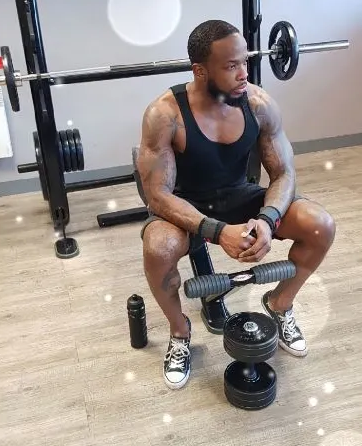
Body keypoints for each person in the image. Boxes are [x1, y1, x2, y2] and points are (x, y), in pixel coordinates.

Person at [136, 20, 336, 390]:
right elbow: (158, 196)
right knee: (159, 247)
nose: (244, 73)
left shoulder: (259, 104)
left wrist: (268, 218)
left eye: (245, 62)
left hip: (240, 195)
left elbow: (284, 174)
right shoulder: (165, 114)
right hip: (185, 204)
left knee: (320, 225)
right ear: (200, 71)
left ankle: (279, 304)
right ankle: (180, 331)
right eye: (231, 66)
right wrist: (215, 231)